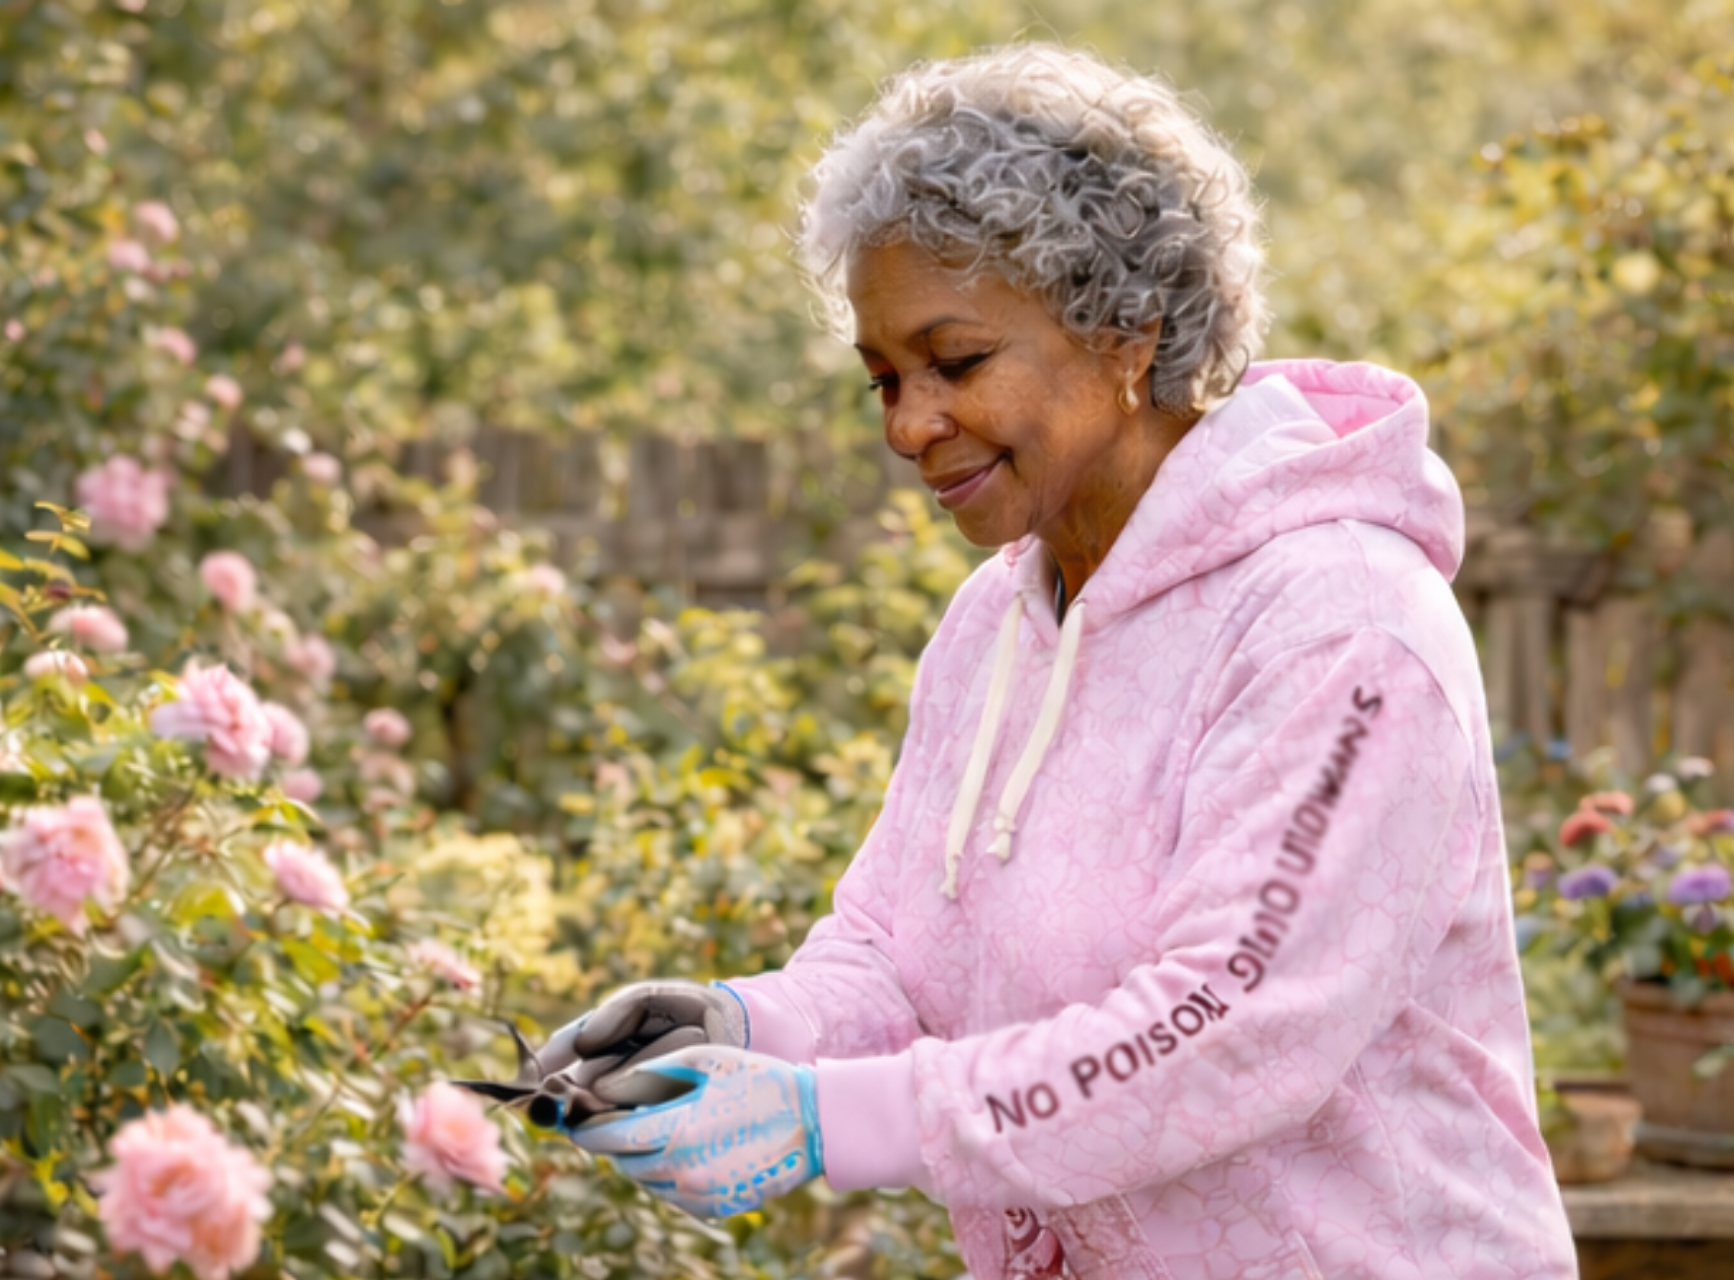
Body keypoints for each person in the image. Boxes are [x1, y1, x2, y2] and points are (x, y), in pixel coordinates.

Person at [545, 45, 1577, 1279]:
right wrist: (745, 1021)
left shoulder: (1342, 626)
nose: (907, 424)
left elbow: (1230, 1026)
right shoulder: (996, 620)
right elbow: (894, 948)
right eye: (882, 379)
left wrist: (833, 1118)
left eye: (955, 362)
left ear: (1124, 332)